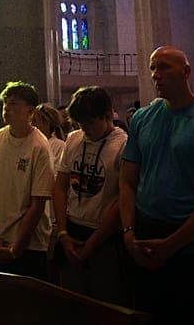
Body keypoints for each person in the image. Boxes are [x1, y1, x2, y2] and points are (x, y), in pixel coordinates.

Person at [119, 47, 194, 325]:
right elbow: (127, 181)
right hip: (146, 237)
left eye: (164, 67)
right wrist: (128, 233)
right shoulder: (142, 118)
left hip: (193, 248)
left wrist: (171, 245)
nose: (156, 75)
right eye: (153, 68)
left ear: (186, 72)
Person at [51, 85, 128, 305]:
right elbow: (60, 186)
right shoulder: (74, 139)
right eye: (80, 122)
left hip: (103, 234)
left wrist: (92, 244)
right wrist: (63, 232)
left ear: (107, 115)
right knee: (71, 303)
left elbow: (122, 199)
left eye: (90, 122)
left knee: (105, 304)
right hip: (72, 229)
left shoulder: (122, 145)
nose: (84, 128)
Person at [0, 81, 54, 280]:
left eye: (14, 104)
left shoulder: (39, 147)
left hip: (29, 244)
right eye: (5, 103)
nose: (7, 108)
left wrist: (17, 247)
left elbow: (38, 203)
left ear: (30, 112)